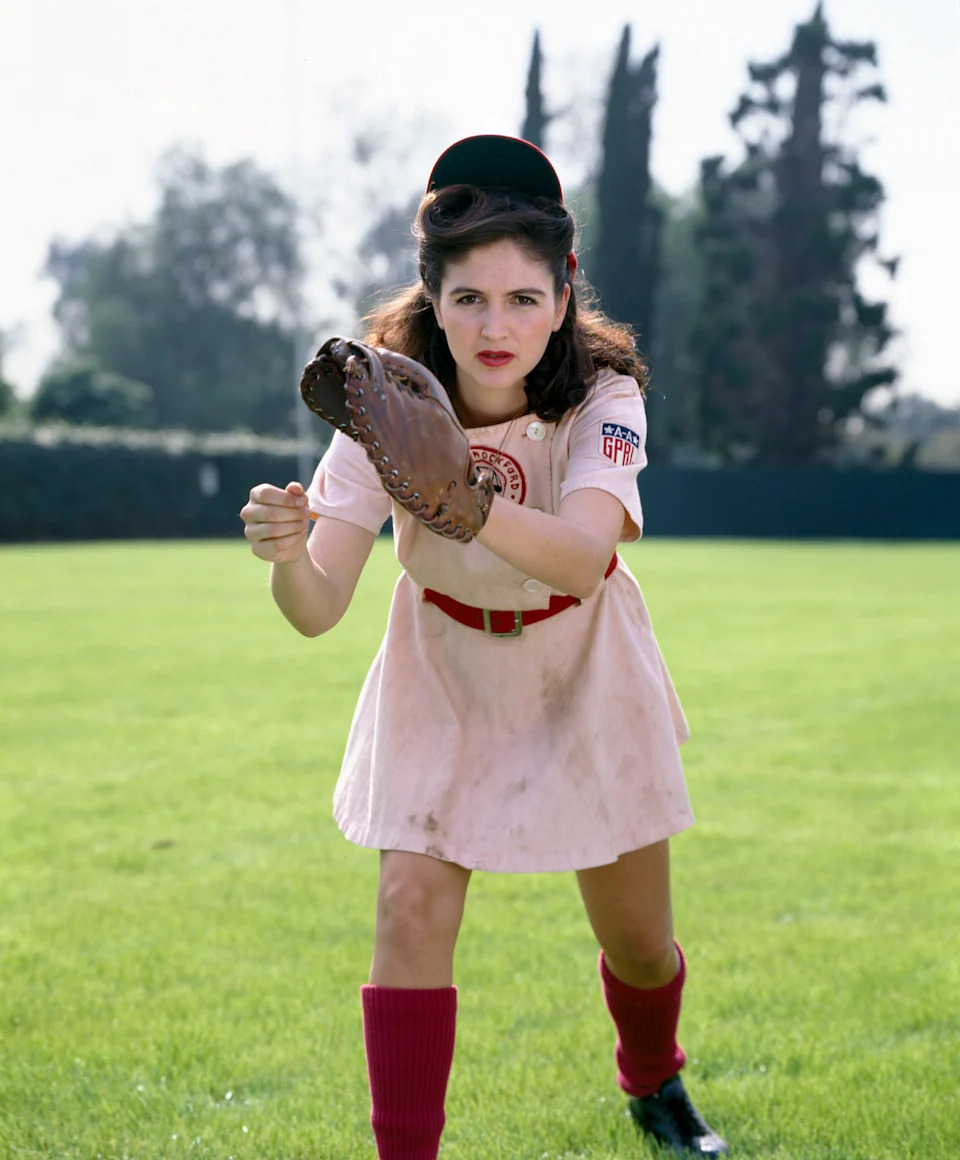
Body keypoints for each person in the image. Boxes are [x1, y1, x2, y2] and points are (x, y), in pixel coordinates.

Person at [240, 134, 729, 1159]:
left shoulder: (604, 392)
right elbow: (320, 602)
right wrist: (288, 553)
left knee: (639, 944)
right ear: (433, 295)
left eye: (520, 297)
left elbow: (583, 559)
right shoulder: (384, 395)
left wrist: (458, 497)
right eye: (469, 299)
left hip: (584, 660)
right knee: (410, 899)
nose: (495, 324)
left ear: (563, 292)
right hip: (444, 665)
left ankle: (653, 1079)